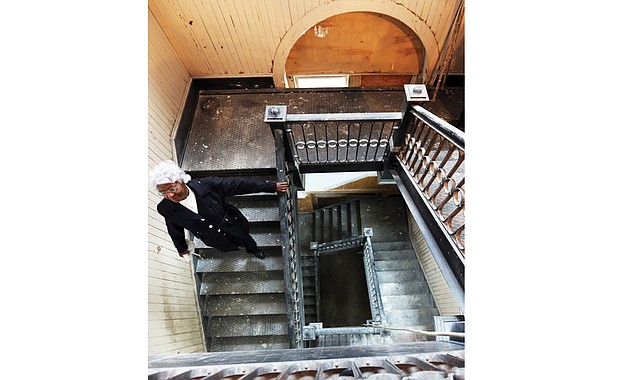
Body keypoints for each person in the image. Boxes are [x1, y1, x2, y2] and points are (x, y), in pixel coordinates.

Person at [149, 160, 288, 260]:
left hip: (233, 225)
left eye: (172, 188)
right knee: (227, 246)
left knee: (246, 239)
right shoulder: (165, 208)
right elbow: (173, 228)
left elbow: (240, 185)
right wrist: (181, 248)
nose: (170, 195)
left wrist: (270, 186)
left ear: (182, 181)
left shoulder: (208, 185)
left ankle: (254, 250)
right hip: (213, 238)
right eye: (163, 193)